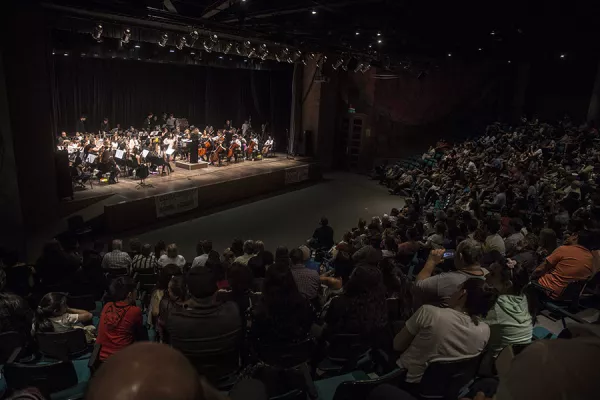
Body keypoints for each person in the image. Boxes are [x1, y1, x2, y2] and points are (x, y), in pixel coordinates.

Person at [393, 278, 497, 383]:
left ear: (463, 293)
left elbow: (397, 345)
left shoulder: (430, 313)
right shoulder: (485, 330)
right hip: (444, 388)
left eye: (457, 289)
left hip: (407, 380)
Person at [164, 268, 242, 379]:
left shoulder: (175, 318)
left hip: (191, 380)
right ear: (216, 287)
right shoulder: (232, 311)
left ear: (188, 290)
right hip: (228, 378)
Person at [250, 262, 314, 345]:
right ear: (291, 281)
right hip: (299, 354)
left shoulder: (260, 312)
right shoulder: (305, 306)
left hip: (268, 355)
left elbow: (254, 339)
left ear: (266, 284)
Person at [415, 240, 486, 307]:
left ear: (460, 257)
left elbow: (418, 287)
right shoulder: (488, 275)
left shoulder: (448, 279)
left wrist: (431, 261)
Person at [484, 260, 533, 357]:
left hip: (496, 362)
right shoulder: (524, 298)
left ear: (507, 284)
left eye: (492, 274)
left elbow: (475, 328)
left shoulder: (496, 306)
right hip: (520, 356)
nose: (486, 276)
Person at [323, 266, 388, 339]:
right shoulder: (382, 305)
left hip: (337, 345)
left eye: (351, 276)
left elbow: (326, 326)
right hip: (367, 347)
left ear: (353, 281)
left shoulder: (338, 302)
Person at [533, 229, 596, 299]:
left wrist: (531, 277)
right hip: (568, 297)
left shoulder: (564, 249)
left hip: (547, 290)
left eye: (571, 235)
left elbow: (540, 269)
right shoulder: (591, 258)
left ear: (575, 237)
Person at [96, 276, 146, 361]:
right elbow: (139, 332)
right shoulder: (134, 311)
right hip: (122, 360)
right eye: (135, 291)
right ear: (129, 295)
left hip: (101, 359)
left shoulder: (107, 306)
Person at [157, 275, 187, 343]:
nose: (167, 290)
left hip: (171, 340)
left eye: (169, 289)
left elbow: (163, 326)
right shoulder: (191, 303)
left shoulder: (165, 304)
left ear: (174, 293)